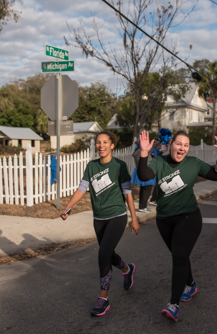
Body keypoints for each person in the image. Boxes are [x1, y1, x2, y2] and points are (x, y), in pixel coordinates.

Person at [137, 130, 217, 322]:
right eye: (179, 144)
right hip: (164, 219)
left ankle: (173, 305)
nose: (182, 148)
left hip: (188, 217)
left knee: (179, 257)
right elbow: (145, 176)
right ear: (171, 145)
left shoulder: (193, 163)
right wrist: (144, 154)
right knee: (180, 255)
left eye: (186, 145)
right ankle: (190, 284)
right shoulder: (159, 161)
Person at [61, 131, 140, 317]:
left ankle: (103, 299)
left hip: (117, 216)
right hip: (99, 218)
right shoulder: (91, 166)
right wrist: (68, 207)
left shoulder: (119, 166)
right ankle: (127, 269)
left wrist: (134, 218)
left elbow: (128, 194)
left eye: (105, 142)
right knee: (109, 253)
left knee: (102, 254)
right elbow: (82, 189)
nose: (101, 145)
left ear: (112, 145)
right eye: (98, 142)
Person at [132, 140, 155, 212]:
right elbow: (155, 145)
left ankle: (141, 206)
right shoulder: (143, 150)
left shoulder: (136, 151)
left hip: (139, 170)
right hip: (146, 171)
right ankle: (143, 206)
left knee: (143, 189)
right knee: (147, 189)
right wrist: (161, 139)